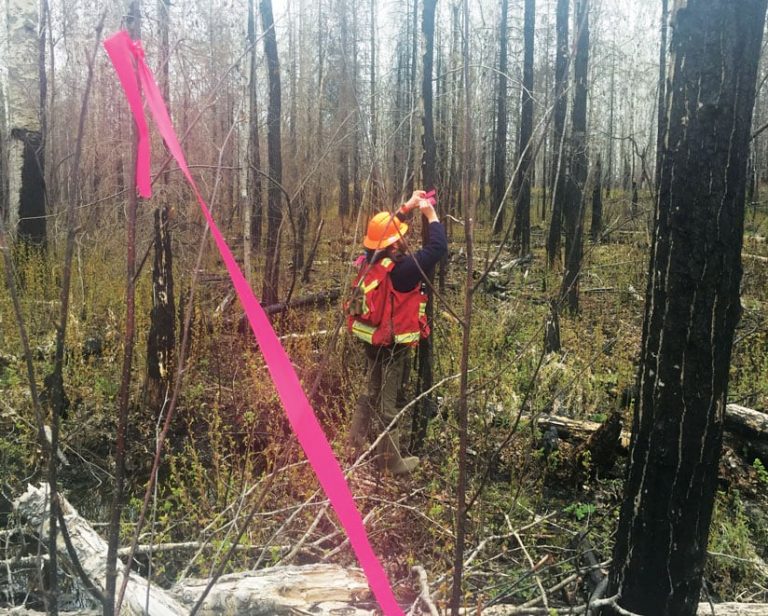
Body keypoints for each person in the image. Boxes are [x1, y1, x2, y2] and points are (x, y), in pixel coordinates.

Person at [346, 189, 447, 475]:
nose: (405, 236)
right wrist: (431, 215)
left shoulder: (368, 260)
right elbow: (438, 248)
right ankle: (390, 463)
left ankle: (353, 445)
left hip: (371, 340)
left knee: (369, 391)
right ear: (394, 244)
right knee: (389, 402)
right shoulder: (403, 271)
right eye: (400, 234)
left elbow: (384, 232)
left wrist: (407, 207)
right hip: (393, 346)